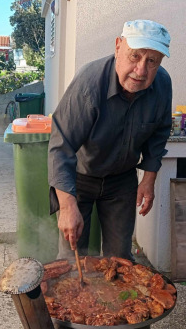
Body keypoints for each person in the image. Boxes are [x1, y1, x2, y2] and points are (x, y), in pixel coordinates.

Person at [48, 19, 173, 261]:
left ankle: (118, 300)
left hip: (122, 181)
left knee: (120, 260)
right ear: (118, 47)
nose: (141, 71)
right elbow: (61, 146)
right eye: (135, 56)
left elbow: (159, 132)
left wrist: (148, 180)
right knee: (73, 259)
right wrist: (66, 206)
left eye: (152, 61)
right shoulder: (89, 83)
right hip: (80, 179)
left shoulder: (162, 84)